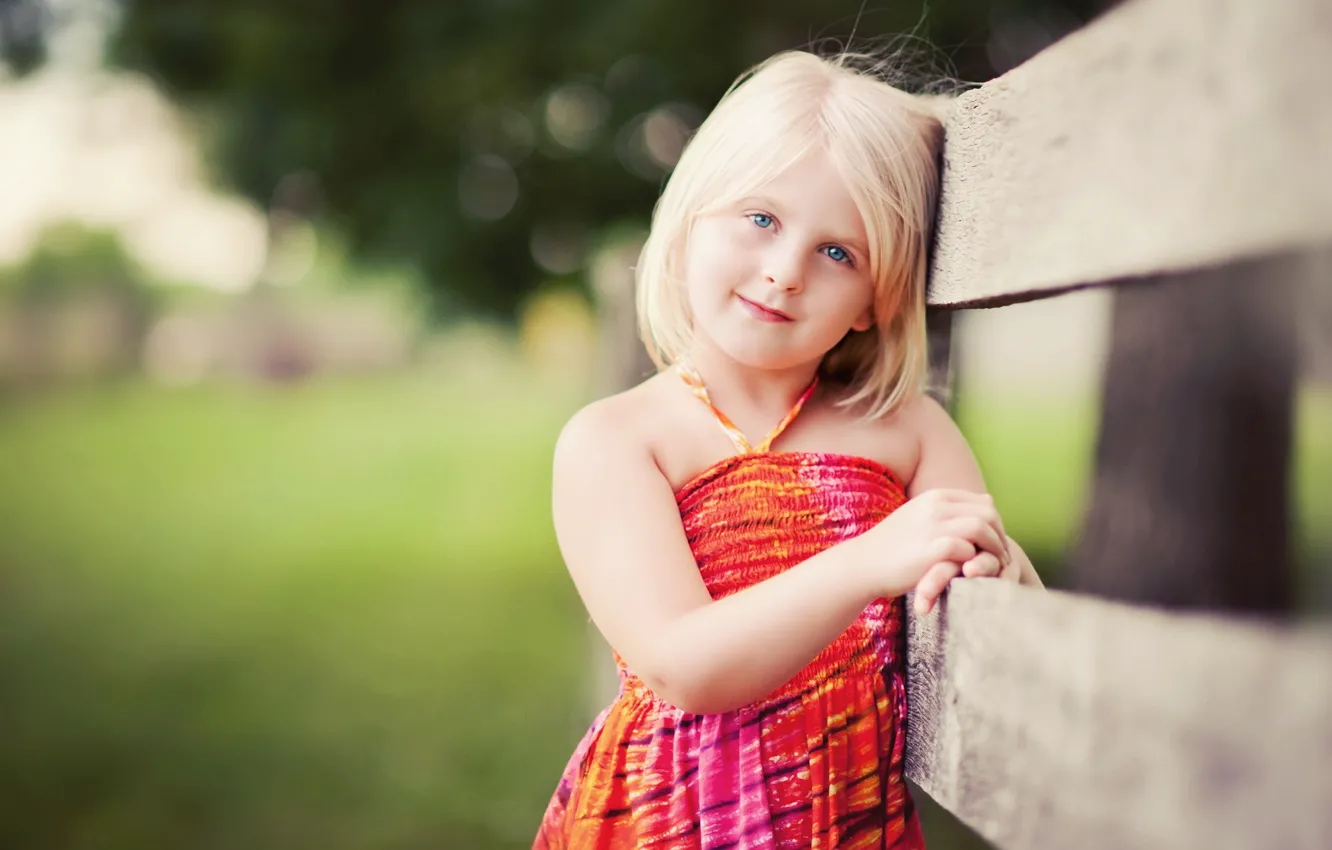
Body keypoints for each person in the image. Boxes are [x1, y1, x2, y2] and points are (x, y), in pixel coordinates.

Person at [534, 49, 1044, 850]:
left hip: (847, 822)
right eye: (762, 219)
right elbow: (683, 666)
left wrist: (994, 566)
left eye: (837, 252)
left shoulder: (907, 431)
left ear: (878, 299)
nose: (783, 273)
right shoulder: (616, 441)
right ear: (693, 217)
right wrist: (873, 561)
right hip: (669, 821)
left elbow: (994, 589)